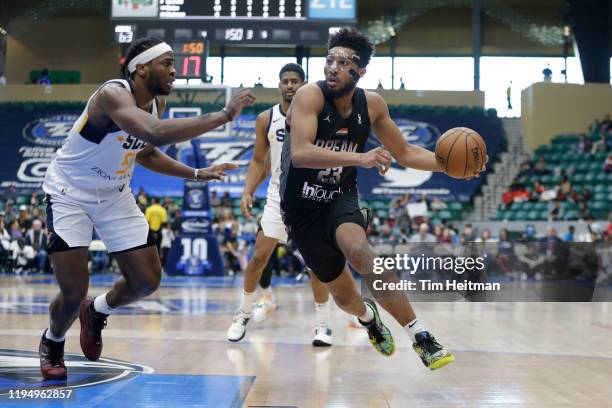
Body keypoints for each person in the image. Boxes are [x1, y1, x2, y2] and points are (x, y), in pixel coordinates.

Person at [38, 36, 255, 380]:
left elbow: (147, 151)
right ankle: (53, 340)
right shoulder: (112, 94)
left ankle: (96, 311)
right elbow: (152, 132)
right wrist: (224, 115)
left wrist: (196, 173)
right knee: (73, 289)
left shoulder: (156, 103)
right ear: (141, 68)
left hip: (114, 193)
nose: (174, 70)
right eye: (167, 63)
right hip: (69, 192)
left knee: (146, 281)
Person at [280, 28, 486, 369]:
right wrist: (360, 158)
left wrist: (448, 165)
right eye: (329, 60)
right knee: (346, 298)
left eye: (343, 62)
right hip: (300, 209)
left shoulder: (372, 104)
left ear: (360, 71)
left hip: (339, 198)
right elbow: (301, 154)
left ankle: (420, 335)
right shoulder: (309, 97)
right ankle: (368, 318)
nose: (332, 67)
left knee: (363, 254)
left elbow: (404, 151)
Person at [227, 63, 334, 347]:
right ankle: (242, 315)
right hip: (278, 196)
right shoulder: (266, 118)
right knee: (258, 258)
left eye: (295, 81)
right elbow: (258, 160)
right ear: (279, 85)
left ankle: (322, 326)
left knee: (316, 266)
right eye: (285, 81)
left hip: (312, 196)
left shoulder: (319, 115)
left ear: (304, 85)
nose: (290, 86)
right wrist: (248, 190)